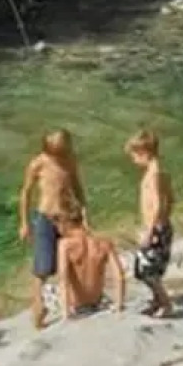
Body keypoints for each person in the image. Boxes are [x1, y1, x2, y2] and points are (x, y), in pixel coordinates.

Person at [18, 129, 88, 329]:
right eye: (56, 154)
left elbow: (77, 187)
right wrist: (24, 223)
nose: (59, 158)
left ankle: (77, 298)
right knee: (43, 266)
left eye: (63, 152)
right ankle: (38, 310)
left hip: (67, 217)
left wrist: (84, 212)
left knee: (74, 259)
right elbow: (26, 193)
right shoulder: (39, 163)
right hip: (45, 218)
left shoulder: (70, 160)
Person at [126, 129, 175, 318]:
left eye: (134, 157)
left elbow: (156, 204)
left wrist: (151, 229)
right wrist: (165, 219)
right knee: (148, 268)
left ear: (143, 153)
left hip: (155, 228)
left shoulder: (154, 175)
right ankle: (157, 300)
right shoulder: (161, 172)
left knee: (146, 271)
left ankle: (166, 302)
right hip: (162, 226)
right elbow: (170, 199)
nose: (133, 161)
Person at [56, 222, 126, 316]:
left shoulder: (65, 244)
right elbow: (119, 275)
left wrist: (66, 314)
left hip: (75, 305)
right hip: (96, 301)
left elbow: (63, 279)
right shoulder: (104, 243)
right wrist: (119, 305)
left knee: (42, 290)